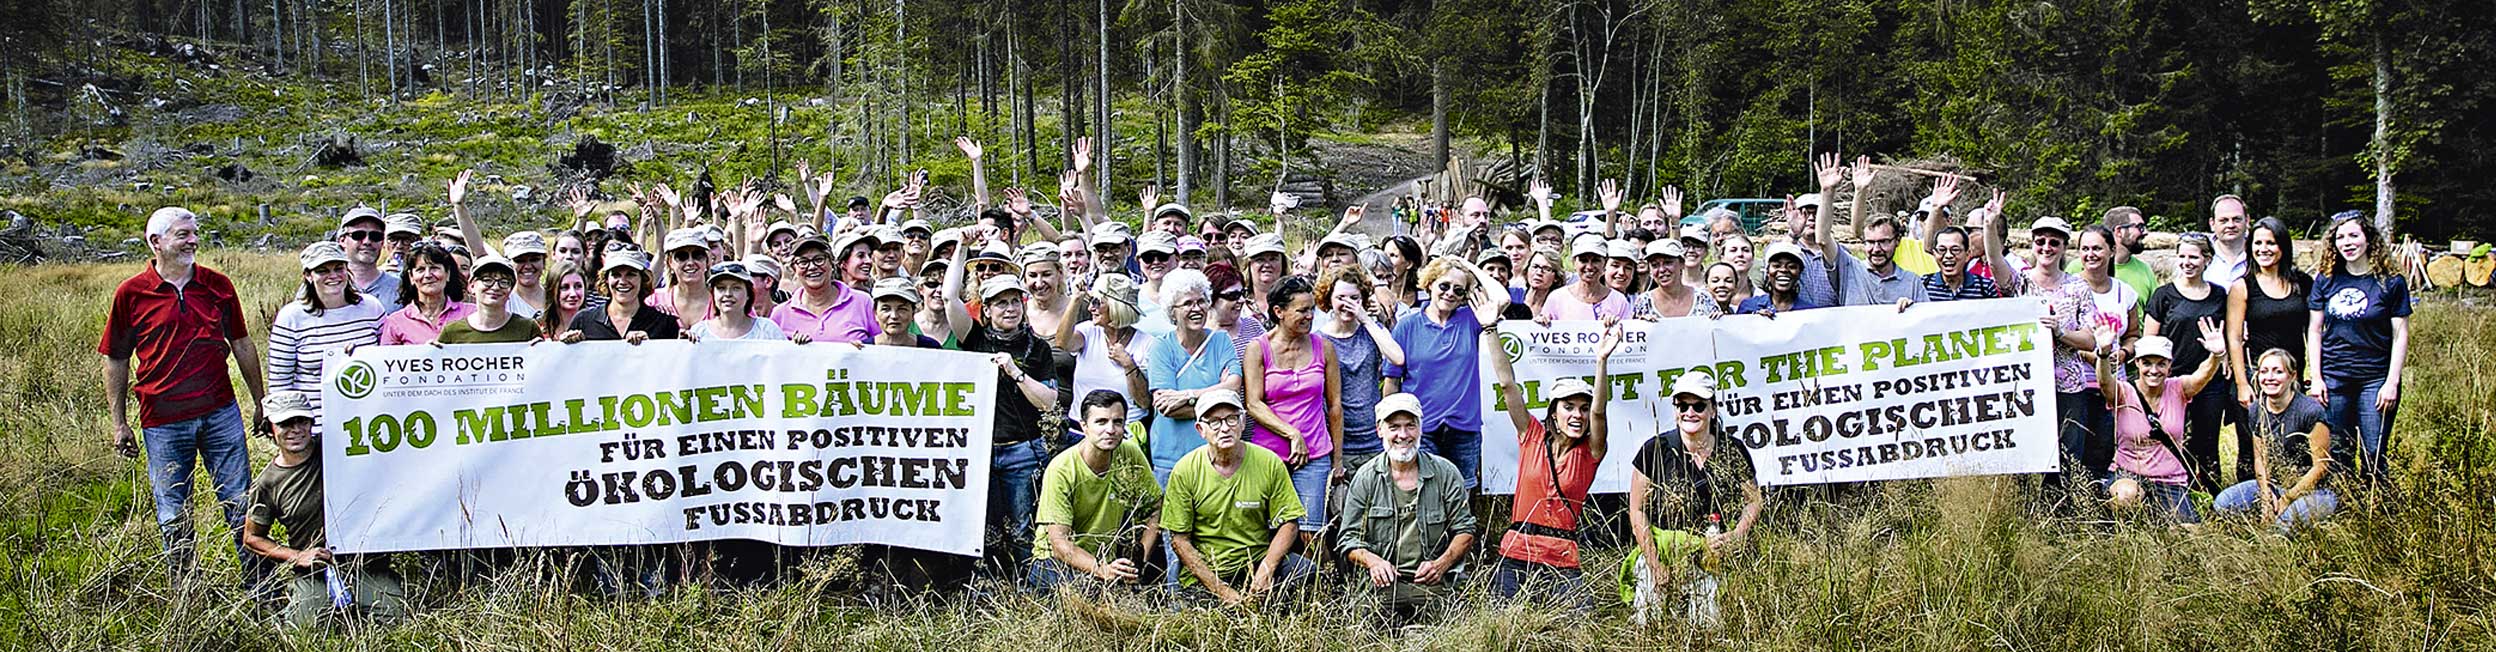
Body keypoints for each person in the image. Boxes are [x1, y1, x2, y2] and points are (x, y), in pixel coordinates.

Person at [101, 207, 273, 576]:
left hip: (220, 413)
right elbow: (115, 358)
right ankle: (186, 594)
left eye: (194, 233)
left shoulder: (217, 285)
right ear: (156, 242)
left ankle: (259, 588)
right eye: (183, 234)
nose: (193, 241)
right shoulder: (131, 294)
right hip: (162, 420)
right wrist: (119, 423)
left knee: (240, 502)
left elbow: (241, 343)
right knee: (173, 511)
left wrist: (261, 402)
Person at [241, 392, 408, 627]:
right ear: (270, 429)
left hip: (365, 563)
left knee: (393, 617)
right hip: (315, 570)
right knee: (306, 627)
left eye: (302, 421)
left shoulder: (339, 448)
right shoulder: (268, 482)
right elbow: (251, 538)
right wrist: (297, 556)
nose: (295, 430)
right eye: (285, 424)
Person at [1484, 319, 1622, 604]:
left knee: (1576, 632)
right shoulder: (1532, 435)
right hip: (1516, 554)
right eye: (1568, 407)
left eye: (1582, 408)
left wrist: (1602, 361)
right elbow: (1507, 385)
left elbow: (1599, 413)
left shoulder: (1590, 452)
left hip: (1562, 559)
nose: (1577, 415)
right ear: (1553, 413)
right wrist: (1490, 329)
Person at [1621, 371, 1761, 628]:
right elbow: (1637, 510)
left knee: (1709, 626)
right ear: (1675, 410)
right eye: (1682, 405)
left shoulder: (1733, 449)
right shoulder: (1655, 449)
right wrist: (1655, 564)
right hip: (1666, 553)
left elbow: (1754, 501)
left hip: (1715, 557)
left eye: (1698, 405)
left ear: (1713, 410)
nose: (1690, 412)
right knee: (1650, 623)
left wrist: (1735, 536)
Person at [1161, 389, 1316, 605]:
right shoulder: (1185, 470)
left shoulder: (1268, 462)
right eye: (1214, 422)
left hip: (1256, 561)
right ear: (1200, 429)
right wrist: (1222, 591)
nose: (1225, 428)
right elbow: (1179, 541)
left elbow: (1289, 523)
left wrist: (1266, 569)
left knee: (1306, 572)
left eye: (1232, 419)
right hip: (1210, 571)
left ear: (1243, 423)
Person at [1335, 393, 1478, 617]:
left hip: (1435, 582)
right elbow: (1348, 541)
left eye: (1410, 426)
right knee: (1365, 628)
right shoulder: (1366, 477)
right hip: (1382, 585)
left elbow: (1465, 531)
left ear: (1420, 428)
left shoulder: (1445, 472)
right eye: (1394, 427)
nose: (1403, 435)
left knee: (1455, 628)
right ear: (1379, 430)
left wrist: (1441, 565)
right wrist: (1373, 562)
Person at [963, 274, 1062, 572]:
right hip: (979, 451)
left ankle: (1027, 588)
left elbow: (1048, 401)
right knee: (984, 527)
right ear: (987, 310)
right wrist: (962, 248)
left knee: (1023, 528)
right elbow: (947, 300)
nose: (1010, 309)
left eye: (1015, 301)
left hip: (1023, 450)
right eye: (1001, 303)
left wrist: (1015, 372)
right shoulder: (974, 339)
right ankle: (986, 588)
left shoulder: (1040, 348)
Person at [1384, 257, 1510, 490]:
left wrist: (1467, 265)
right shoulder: (1407, 326)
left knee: (1462, 495)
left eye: (1458, 290)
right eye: (1444, 285)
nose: (1450, 293)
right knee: (1422, 492)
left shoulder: (1470, 320)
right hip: (1421, 428)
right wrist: (1390, 421)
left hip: (1464, 428)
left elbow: (1502, 298)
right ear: (1430, 283)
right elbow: (1392, 381)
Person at [2305, 213, 2409, 487]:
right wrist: (2316, 378)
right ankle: (2346, 511)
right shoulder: (2326, 279)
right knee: (2338, 451)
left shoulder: (2391, 282)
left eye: (2353, 236)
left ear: (2368, 238)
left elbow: (2400, 334)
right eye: (2340, 237)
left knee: (2373, 451)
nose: (2347, 243)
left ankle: (2377, 509)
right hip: (2334, 378)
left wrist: (2391, 383)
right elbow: (2315, 330)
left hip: (2374, 379)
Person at [1026, 391, 1163, 593]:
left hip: (1108, 560)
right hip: (1055, 562)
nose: (1110, 429)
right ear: (1084, 426)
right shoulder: (1062, 469)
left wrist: (1138, 560)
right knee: (1093, 606)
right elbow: (1059, 543)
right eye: (1101, 422)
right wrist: (1101, 570)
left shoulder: (1130, 453)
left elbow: (1155, 507)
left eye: (1118, 422)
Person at [1243, 275, 1344, 546]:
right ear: (1279, 311)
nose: (1310, 316)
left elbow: (1334, 406)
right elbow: (1253, 403)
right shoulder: (1258, 349)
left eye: (1312, 309)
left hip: (1315, 451)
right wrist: (1291, 434)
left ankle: (1318, 584)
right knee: (1270, 529)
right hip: (1269, 453)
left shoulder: (1324, 348)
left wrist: (1337, 459)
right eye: (1302, 310)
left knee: (1311, 531)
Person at [2097, 326, 2228, 525]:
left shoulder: (2178, 388)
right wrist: (2103, 354)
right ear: (2137, 364)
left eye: (2161, 364)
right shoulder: (2124, 392)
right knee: (2125, 496)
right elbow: (2105, 383)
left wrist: (2216, 355)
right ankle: (2131, 528)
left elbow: (2202, 375)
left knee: (2190, 534)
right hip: (2128, 474)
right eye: (2147, 363)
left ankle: (2158, 517)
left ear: (2169, 366)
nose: (2154, 370)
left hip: (2171, 479)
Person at [2143, 234, 2234, 492]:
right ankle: (2174, 490)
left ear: (2207, 259)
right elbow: (2149, 341)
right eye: (2182, 256)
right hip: (2173, 382)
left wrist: (2224, 355)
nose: (2187, 262)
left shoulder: (2219, 295)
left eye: (2194, 256)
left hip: (2210, 380)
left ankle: (2212, 494)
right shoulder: (2164, 295)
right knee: (2173, 438)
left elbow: (2229, 332)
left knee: (2207, 440)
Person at [2213, 349, 2339, 529]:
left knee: (2282, 527)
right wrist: (2266, 497)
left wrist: (2288, 498)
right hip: (2277, 485)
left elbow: (2321, 466)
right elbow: (2260, 458)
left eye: (2278, 371)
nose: (2269, 377)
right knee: (2223, 504)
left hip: (2316, 491)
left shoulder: (2310, 411)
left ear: (2292, 376)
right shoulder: (2257, 409)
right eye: (2264, 371)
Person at [1141, 269, 1245, 482]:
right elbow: (1166, 407)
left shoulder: (1221, 340)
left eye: (1201, 301)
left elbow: (1234, 386)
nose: (1196, 309)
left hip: (1215, 454)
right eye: (1188, 303)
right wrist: (1216, 408)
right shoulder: (1162, 347)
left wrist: (1185, 395)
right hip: (1171, 456)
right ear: (1172, 310)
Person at [2226, 217, 2310, 482]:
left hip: (2293, 376)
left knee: (2296, 443)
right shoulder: (2243, 286)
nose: (2264, 249)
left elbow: (2314, 331)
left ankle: (2293, 503)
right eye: (2258, 243)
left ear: (2283, 247)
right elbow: (2234, 337)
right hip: (2256, 376)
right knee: (2252, 447)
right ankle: (2251, 506)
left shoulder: (2302, 284)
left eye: (2271, 243)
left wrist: (2315, 375)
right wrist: (2242, 383)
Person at [267, 242, 388, 418]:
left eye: (339, 268)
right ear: (308, 275)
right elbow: (280, 383)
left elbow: (387, 358)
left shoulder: (371, 307)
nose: (333, 276)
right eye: (323, 271)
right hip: (313, 423)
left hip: (366, 417)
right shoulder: (291, 317)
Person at [1316, 265, 1407, 480]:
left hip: (1375, 438)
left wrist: (1366, 319)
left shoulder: (1371, 331)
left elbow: (1398, 358)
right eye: (1341, 297)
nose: (1347, 304)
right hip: (1338, 441)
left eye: (1354, 298)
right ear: (1329, 299)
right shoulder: (1318, 339)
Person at [1055, 273, 1153, 437]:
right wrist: (1076, 299)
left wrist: (1128, 364)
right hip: (1081, 431)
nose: (1090, 308)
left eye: (1097, 302)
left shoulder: (1146, 343)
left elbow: (1144, 402)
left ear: (1116, 306)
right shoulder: (1088, 331)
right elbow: (1062, 342)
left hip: (1125, 433)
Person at [770, 234, 881, 345]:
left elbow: (882, 345)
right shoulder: (780, 314)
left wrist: (863, 346)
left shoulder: (863, 302)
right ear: (794, 268)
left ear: (831, 263)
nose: (812, 267)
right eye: (803, 262)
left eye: (819, 259)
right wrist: (792, 349)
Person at [562, 250, 680, 343]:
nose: (623, 281)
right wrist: (570, 343)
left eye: (630, 275)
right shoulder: (584, 321)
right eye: (616, 275)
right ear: (606, 279)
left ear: (643, 279)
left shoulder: (665, 323)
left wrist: (649, 347)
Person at [377, 243, 474, 345]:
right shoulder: (396, 322)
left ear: (448, 274)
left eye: (434, 268)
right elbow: (388, 358)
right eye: (420, 270)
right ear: (411, 277)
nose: (428, 275)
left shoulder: (471, 313)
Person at [436, 255, 543, 343]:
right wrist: (428, 352)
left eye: (504, 282)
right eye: (487, 280)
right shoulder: (452, 332)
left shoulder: (528, 328)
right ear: (472, 286)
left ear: (510, 290)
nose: (495, 287)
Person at [688, 262, 791, 341]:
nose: (728, 294)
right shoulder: (699, 332)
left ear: (748, 295)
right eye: (721, 288)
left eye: (736, 288)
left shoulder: (767, 330)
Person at [2073, 206, 2159, 301]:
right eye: (2139, 227)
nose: (2145, 232)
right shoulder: (2077, 267)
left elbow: (2155, 311)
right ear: (2119, 231)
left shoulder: (2144, 269)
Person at [330, 206, 405, 314]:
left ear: (382, 242)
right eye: (358, 235)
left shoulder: (401, 288)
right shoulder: (326, 287)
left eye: (375, 236)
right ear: (342, 240)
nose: (367, 241)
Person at [1541, 235, 1631, 321]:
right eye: (1583, 260)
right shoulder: (1557, 298)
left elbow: (1628, 332)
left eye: (1595, 260)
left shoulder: (1619, 300)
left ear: (1605, 263)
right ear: (1573, 262)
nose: (1589, 266)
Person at [650, 228, 718, 331]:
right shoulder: (654, 301)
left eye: (697, 255)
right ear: (670, 262)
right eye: (682, 256)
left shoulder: (723, 301)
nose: (690, 262)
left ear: (707, 261)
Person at [1630, 240, 1716, 320]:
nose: (1662, 270)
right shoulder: (1644, 303)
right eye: (1655, 265)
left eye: (1668, 263)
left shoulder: (1703, 299)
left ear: (1682, 263)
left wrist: (1719, 319)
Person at [1737, 243, 1824, 315]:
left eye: (1791, 266)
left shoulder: (1810, 312)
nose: (1783, 270)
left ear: (1799, 273)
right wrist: (1754, 320)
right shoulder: (1749, 307)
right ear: (1767, 271)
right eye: (1776, 266)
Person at [1919, 226, 1999, 302]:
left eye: (1955, 250)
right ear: (1934, 254)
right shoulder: (1923, 285)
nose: (1948, 255)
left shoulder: (1985, 287)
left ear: (1967, 254)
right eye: (1942, 250)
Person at [536, 260, 602, 341]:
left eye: (578, 286)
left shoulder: (598, 327)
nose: (573, 294)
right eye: (565, 287)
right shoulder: (537, 327)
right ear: (552, 290)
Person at [499, 231, 552, 319]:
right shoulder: (503, 302)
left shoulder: (557, 298)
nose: (527, 266)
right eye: (520, 260)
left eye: (534, 259)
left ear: (544, 262)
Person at [2204, 195, 2253, 288]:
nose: (2231, 225)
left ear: (2247, 221)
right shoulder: (2200, 253)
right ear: (2212, 224)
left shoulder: (2260, 254)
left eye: (2236, 219)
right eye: (2224, 220)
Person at [1516, 246, 1566, 321]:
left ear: (1556, 277)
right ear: (1527, 270)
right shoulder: (1512, 296)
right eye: (1535, 267)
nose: (1539, 273)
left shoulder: (1558, 307)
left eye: (1546, 269)